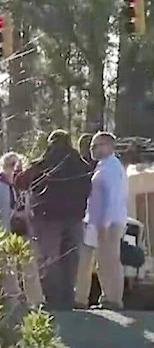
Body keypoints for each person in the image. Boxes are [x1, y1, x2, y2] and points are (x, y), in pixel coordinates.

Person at [14, 129, 92, 310]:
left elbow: (21, 182)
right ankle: (67, 298)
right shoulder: (81, 164)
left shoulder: (43, 163)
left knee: (50, 258)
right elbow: (89, 186)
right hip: (74, 218)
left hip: (48, 219)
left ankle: (53, 299)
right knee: (71, 259)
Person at [78, 131, 128, 310]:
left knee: (110, 260)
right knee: (103, 262)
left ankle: (114, 299)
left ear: (108, 146)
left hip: (109, 222)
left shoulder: (112, 168)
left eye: (96, 145)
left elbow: (112, 198)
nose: (92, 149)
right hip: (98, 221)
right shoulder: (102, 166)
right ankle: (107, 296)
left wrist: (105, 224)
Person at [0, 152, 45, 307]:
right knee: (8, 266)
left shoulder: (22, 186)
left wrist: (28, 213)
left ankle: (36, 299)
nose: (14, 169)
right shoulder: (1, 185)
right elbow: (5, 209)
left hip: (24, 229)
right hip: (6, 230)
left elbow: (29, 205)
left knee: (29, 263)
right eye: (10, 165)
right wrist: (17, 213)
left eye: (17, 165)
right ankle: (13, 298)